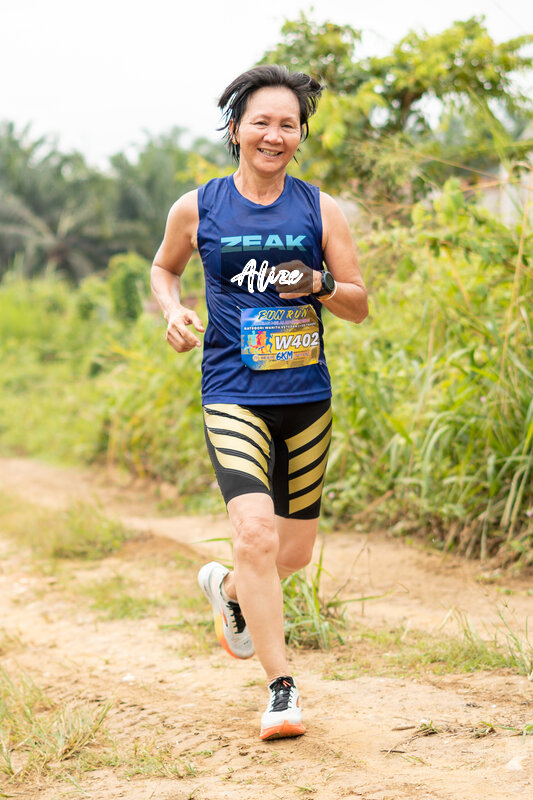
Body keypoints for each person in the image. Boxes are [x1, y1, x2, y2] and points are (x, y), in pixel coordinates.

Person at [151, 65, 368, 740]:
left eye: (288, 125)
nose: (274, 135)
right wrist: (173, 310)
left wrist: (319, 283)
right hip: (232, 393)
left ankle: (228, 590)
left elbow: (358, 304)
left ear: (300, 136)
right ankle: (281, 688)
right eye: (261, 122)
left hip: (305, 398)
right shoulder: (198, 207)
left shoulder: (319, 209)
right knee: (254, 535)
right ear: (235, 129)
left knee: (290, 554)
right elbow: (164, 268)